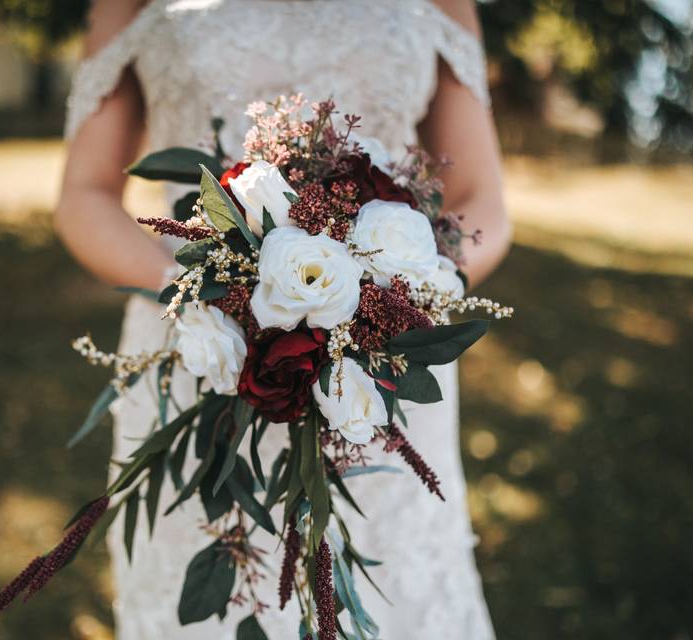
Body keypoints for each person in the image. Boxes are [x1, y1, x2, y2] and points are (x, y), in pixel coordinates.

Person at [55, 1, 510, 637]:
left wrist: (402, 293)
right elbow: (86, 194)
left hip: (379, 374)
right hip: (198, 358)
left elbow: (481, 200)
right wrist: (200, 294)